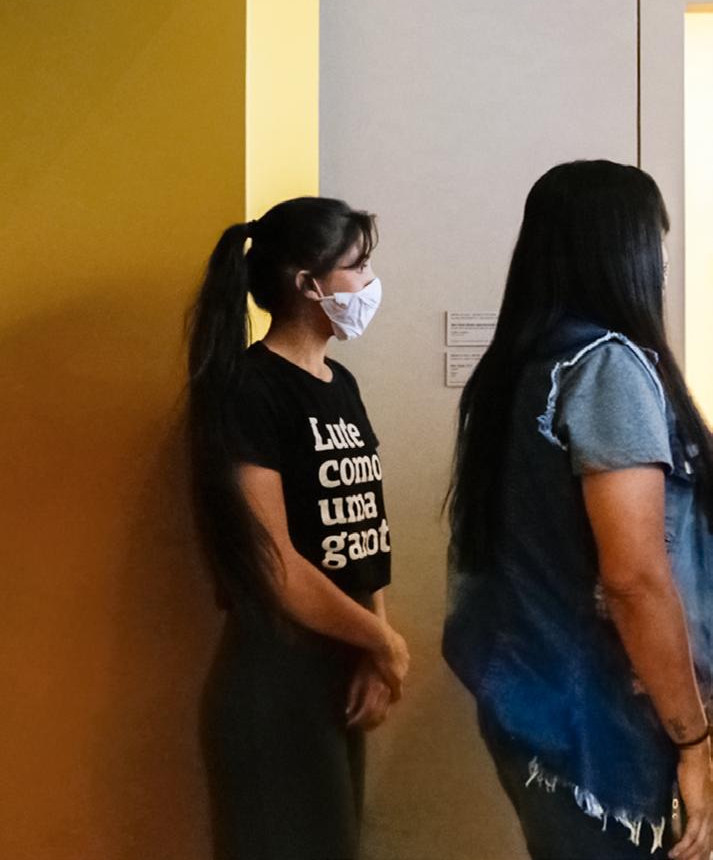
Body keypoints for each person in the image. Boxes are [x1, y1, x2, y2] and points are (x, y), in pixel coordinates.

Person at [443, 161, 713, 860]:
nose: (662, 259)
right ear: (623, 250)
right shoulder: (607, 366)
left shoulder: (516, 366)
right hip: (603, 725)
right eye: (656, 240)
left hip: (533, 706)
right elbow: (633, 578)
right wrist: (693, 739)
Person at [187, 197, 409, 860]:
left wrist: (373, 646)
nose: (369, 282)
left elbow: (364, 533)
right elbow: (275, 564)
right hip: (277, 678)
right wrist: (386, 642)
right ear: (308, 284)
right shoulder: (249, 389)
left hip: (339, 671)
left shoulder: (340, 382)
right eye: (357, 266)